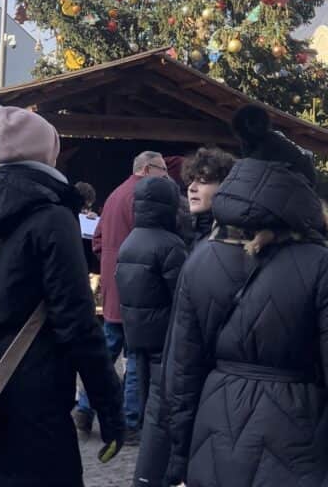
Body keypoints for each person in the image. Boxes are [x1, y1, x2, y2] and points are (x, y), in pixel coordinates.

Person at [164, 104, 328, 487]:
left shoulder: (201, 259)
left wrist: (176, 460)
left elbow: (180, 378)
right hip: (303, 447)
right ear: (302, 193)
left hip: (214, 446)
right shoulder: (324, 268)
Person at [0, 106, 124, 487]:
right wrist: (108, 406)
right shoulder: (54, 217)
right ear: (48, 153)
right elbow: (76, 323)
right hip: (35, 404)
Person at [75, 150, 169, 441]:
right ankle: (129, 422)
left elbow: (98, 240)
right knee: (135, 355)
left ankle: (84, 408)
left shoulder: (115, 195)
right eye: (162, 169)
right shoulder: (144, 196)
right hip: (138, 288)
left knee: (105, 354)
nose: (166, 176)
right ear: (146, 168)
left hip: (114, 286)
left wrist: (112, 263)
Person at [116, 177, 186, 487]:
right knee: (163, 409)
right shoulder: (169, 245)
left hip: (137, 337)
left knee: (143, 395)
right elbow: (183, 296)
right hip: (164, 338)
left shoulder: (130, 241)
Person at [183, 146, 235, 248]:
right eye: (191, 180)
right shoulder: (183, 235)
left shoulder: (233, 240)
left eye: (203, 181)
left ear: (225, 185)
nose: (191, 188)